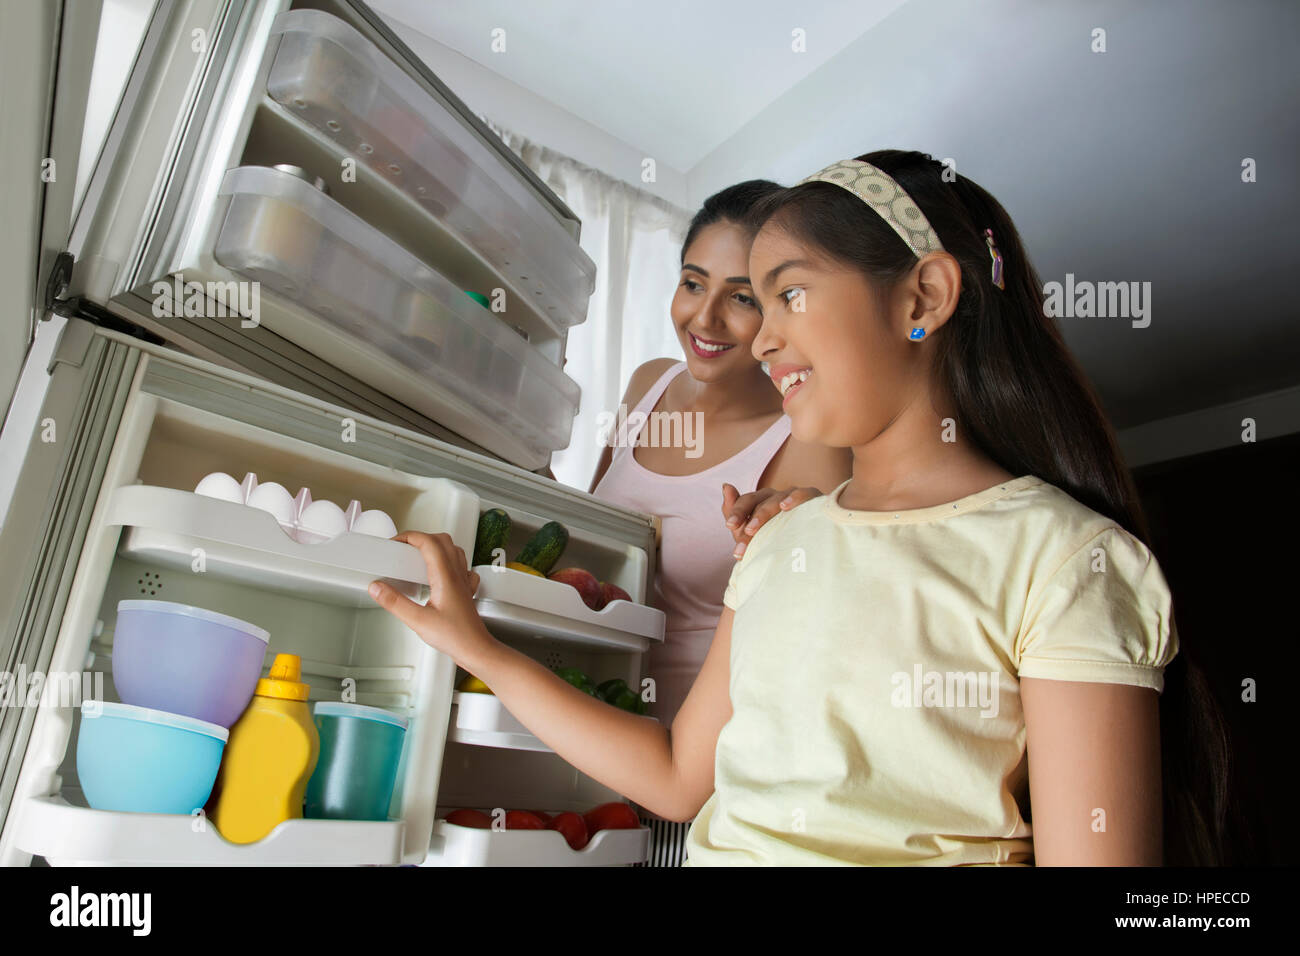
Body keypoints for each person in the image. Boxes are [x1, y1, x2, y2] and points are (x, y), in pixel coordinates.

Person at [371, 150, 1226, 865]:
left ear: (922, 298)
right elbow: (674, 774)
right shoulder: (783, 540)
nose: (764, 336)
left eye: (789, 293)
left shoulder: (1065, 558)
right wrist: (474, 643)